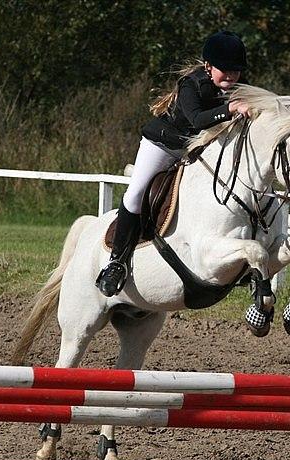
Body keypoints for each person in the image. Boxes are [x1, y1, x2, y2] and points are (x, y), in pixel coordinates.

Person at [96, 31, 250, 297]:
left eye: (236, 71)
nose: (231, 76)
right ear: (208, 67)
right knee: (135, 196)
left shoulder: (239, 86)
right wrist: (232, 109)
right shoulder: (191, 83)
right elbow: (197, 120)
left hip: (197, 151)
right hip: (163, 146)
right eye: (225, 70)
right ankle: (116, 263)